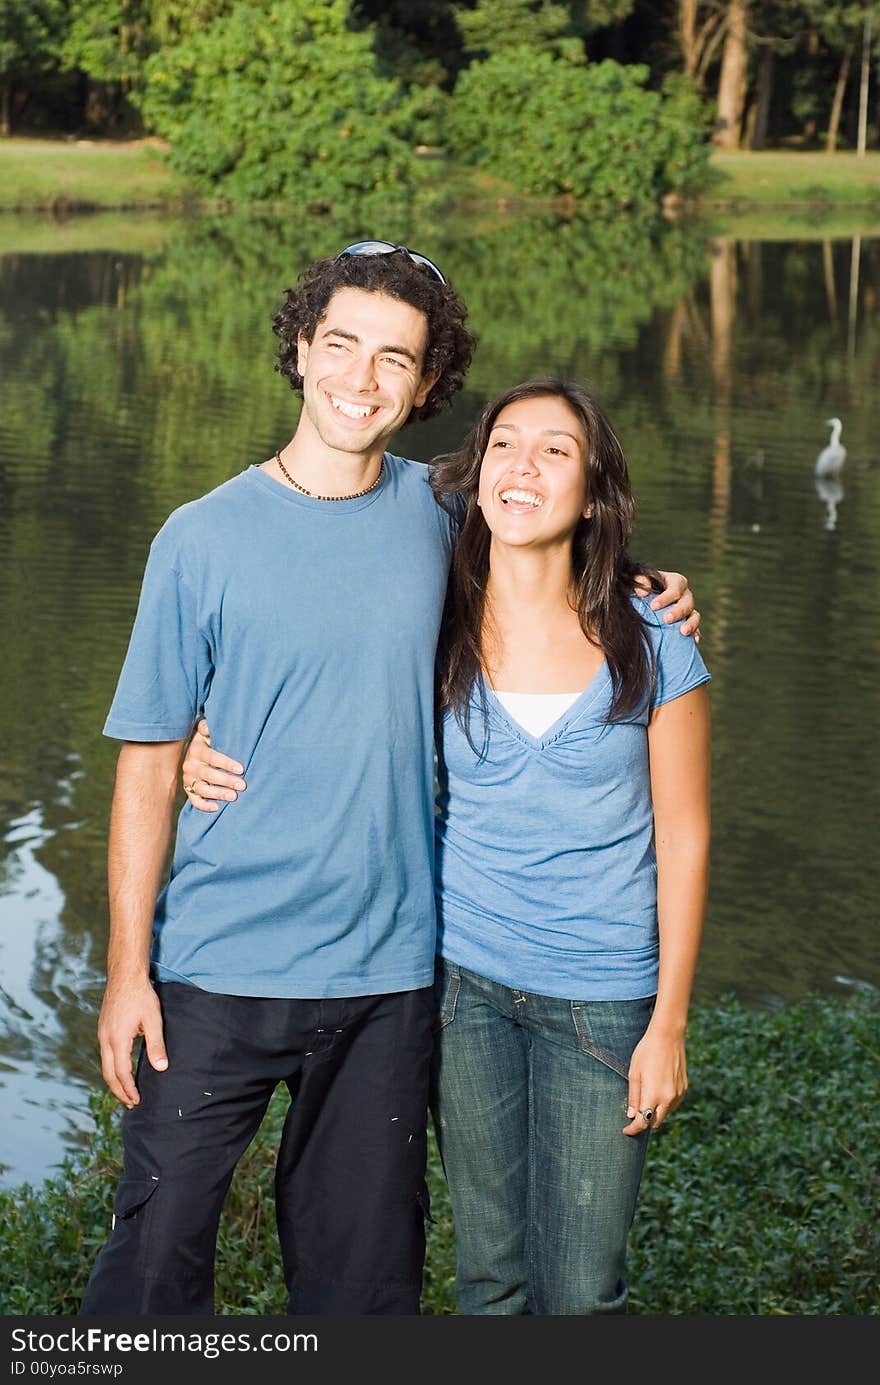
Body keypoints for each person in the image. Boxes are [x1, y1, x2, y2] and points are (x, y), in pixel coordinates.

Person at [83, 241, 700, 1317]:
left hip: (388, 978)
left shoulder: (446, 516)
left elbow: (557, 544)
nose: (360, 380)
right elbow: (143, 768)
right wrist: (129, 967)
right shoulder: (198, 537)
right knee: (151, 1264)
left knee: (364, 1284)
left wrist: (656, 590)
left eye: (394, 360)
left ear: (426, 385)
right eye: (341, 345)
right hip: (216, 969)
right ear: (298, 348)